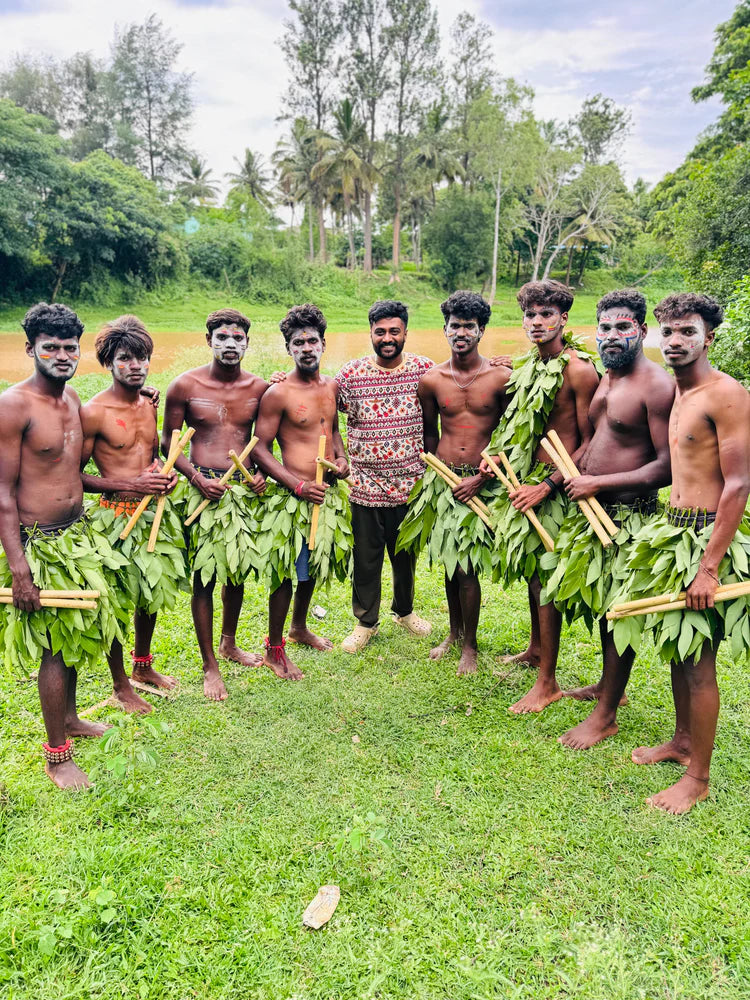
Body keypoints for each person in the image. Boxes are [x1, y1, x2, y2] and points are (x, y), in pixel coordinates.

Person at [614, 293, 750, 814]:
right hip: (673, 533)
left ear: (708, 337)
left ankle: (698, 778)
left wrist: (709, 566)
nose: (674, 342)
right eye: (667, 333)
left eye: (686, 332)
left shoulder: (726, 395)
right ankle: (682, 741)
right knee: (678, 650)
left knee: (699, 666)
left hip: (708, 538)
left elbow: (738, 484)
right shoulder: (677, 391)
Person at [0, 303, 128, 790]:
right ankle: (57, 757)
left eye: (69, 347)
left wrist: (128, 481)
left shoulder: (73, 398)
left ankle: (70, 718)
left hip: (76, 535)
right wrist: (19, 568)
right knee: (54, 649)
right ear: (31, 349)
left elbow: (72, 472)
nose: (61, 354)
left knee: (74, 636)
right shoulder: (13, 406)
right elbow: (2, 495)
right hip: (39, 543)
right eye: (50, 347)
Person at [538, 289, 674, 747]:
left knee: (619, 613)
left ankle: (606, 714)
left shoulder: (655, 385)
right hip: (590, 511)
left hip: (627, 513)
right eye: (605, 328)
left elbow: (665, 466)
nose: (612, 335)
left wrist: (598, 484)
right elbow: (591, 443)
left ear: (642, 329)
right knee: (602, 605)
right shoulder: (607, 377)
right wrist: (556, 481)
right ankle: (606, 687)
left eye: (623, 327)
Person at [482, 279, 600, 713]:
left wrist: (547, 486)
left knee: (550, 579)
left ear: (563, 318)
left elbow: (592, 441)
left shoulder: (579, 370)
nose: (536, 322)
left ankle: (547, 682)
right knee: (534, 574)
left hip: (560, 487)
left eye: (545, 314)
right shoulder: (530, 364)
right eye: (530, 315)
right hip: (527, 482)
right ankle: (535, 650)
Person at [397, 291, 511, 675]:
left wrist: (483, 475)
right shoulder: (431, 380)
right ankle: (455, 633)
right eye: (454, 326)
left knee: (467, 568)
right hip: (444, 482)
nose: (460, 332)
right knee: (450, 564)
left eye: (468, 326)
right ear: (444, 329)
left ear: (481, 330)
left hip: (483, 481)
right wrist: (439, 477)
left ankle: (471, 647)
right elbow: (430, 435)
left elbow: (508, 435)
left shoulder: (501, 377)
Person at [81, 315, 188, 712]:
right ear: (109, 362)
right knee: (117, 600)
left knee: (151, 593)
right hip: (114, 516)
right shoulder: (94, 412)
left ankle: (142, 666)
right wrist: (129, 485)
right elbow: (76, 475)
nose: (136, 366)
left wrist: (162, 476)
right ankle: (120, 683)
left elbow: (151, 456)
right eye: (126, 358)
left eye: (142, 357)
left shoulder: (148, 403)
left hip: (153, 513)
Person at [162, 308, 267, 702]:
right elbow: (167, 442)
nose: (230, 345)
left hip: (240, 491)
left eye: (237, 338)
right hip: (201, 488)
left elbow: (263, 442)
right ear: (209, 341)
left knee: (236, 575)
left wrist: (259, 475)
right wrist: (195, 478)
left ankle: (229, 642)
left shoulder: (259, 388)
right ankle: (210, 664)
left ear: (247, 343)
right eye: (222, 338)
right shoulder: (184, 385)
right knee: (204, 578)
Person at [253, 305, 351, 680]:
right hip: (291, 497)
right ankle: (273, 648)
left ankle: (298, 627)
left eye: (313, 340)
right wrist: (295, 484)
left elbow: (333, 433)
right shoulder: (279, 393)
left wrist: (341, 462)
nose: (307, 347)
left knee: (309, 571)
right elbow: (260, 447)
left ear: (323, 344)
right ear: (288, 349)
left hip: (324, 495)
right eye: (299, 342)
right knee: (285, 573)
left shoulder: (331, 387)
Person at [334, 300, 433, 653]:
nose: (387, 338)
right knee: (366, 557)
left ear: (405, 332)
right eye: (380, 332)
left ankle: (404, 612)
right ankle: (365, 622)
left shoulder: (425, 371)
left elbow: (456, 387)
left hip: (411, 485)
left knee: (405, 555)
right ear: (371, 334)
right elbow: (321, 405)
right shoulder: (349, 375)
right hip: (364, 486)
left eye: (394, 331)